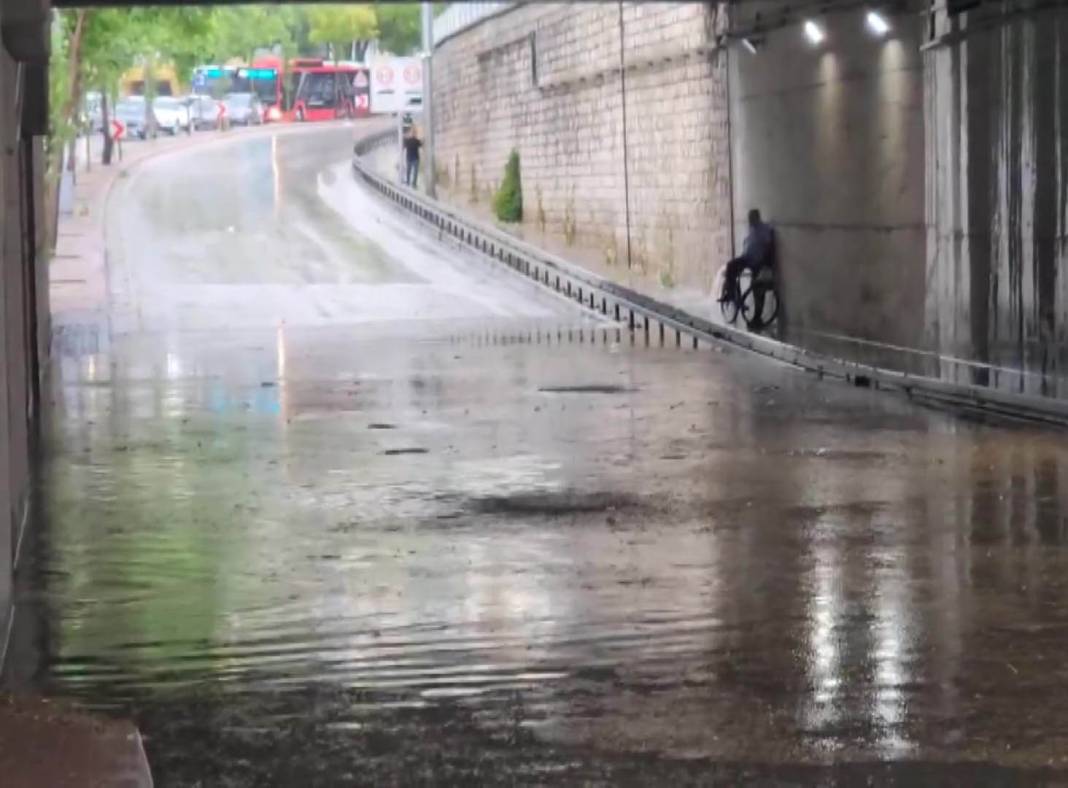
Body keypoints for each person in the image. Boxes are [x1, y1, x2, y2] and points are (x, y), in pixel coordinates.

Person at [720, 208, 773, 303]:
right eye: (749, 218)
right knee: (731, 266)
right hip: (747, 258)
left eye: (751, 218)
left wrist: (766, 263)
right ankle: (731, 293)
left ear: (757, 218)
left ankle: (758, 311)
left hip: (757, 261)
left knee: (757, 286)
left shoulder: (764, 229)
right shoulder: (751, 228)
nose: (749, 220)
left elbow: (768, 246)